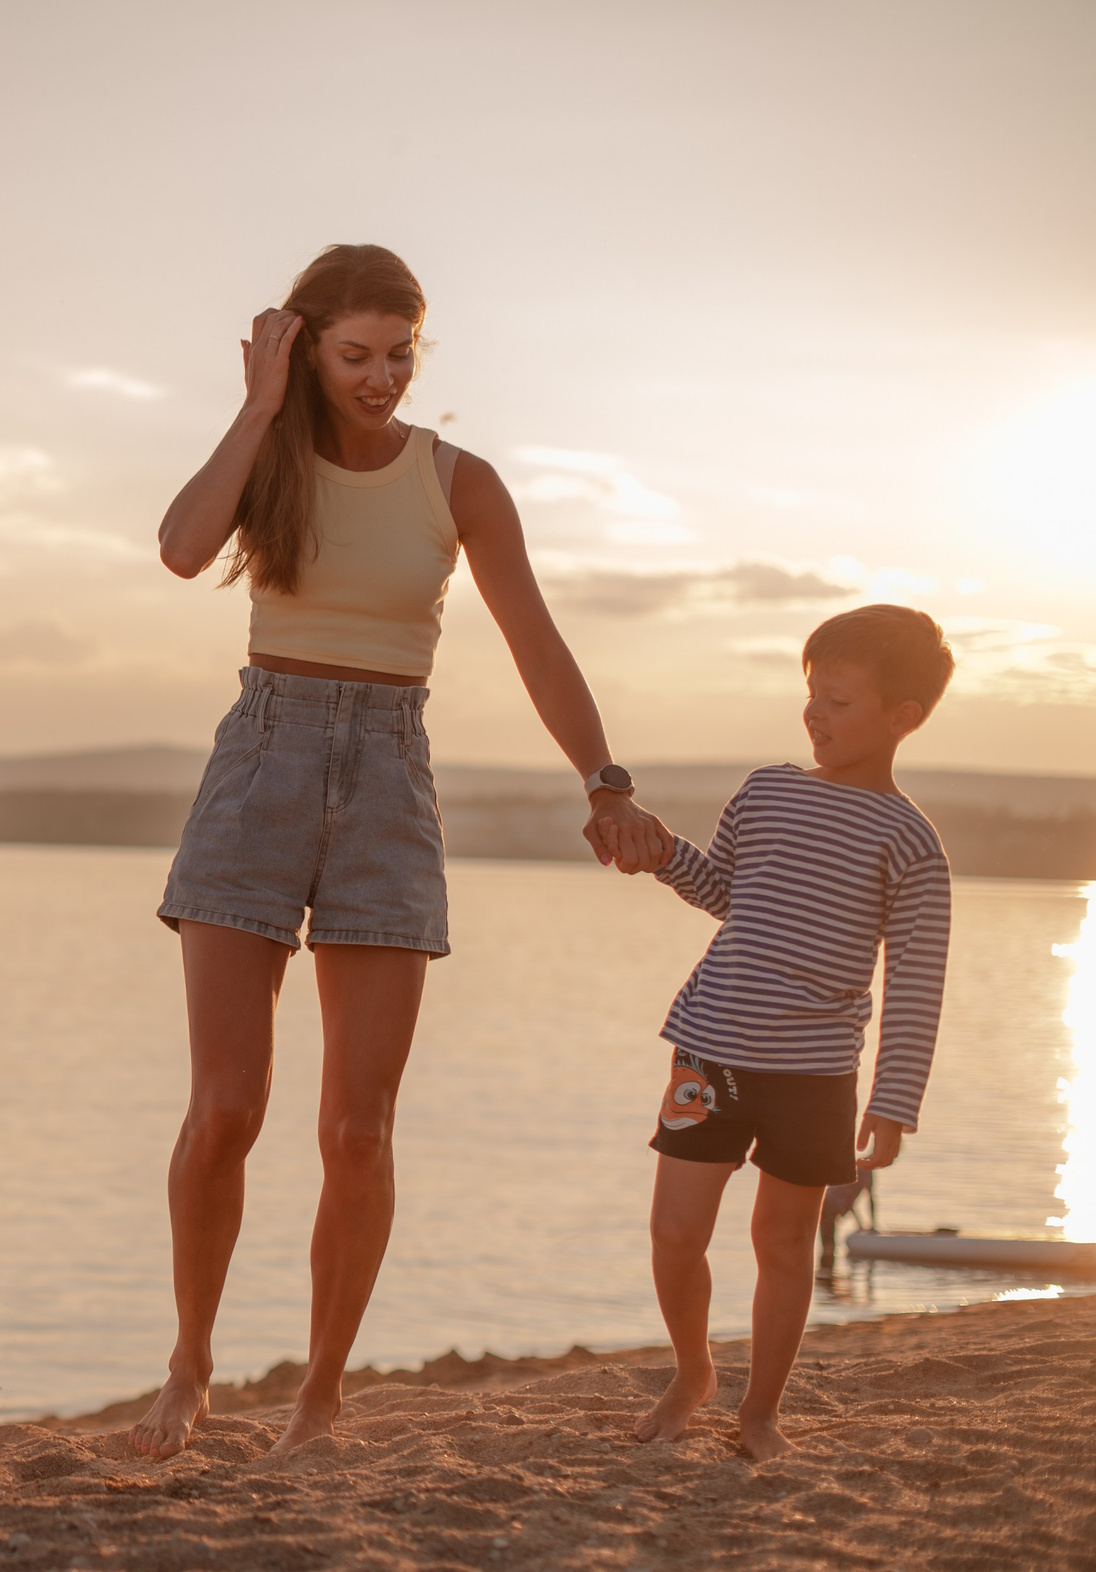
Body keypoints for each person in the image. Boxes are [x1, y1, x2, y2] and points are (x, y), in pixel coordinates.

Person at [132, 244, 672, 1460]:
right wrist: (258, 402)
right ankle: (188, 1370)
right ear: (304, 345)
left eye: (399, 355)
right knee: (225, 1110)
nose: (379, 378)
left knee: (358, 1128)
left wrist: (603, 779)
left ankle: (319, 1396)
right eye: (353, 354)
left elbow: (534, 639)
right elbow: (176, 547)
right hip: (260, 763)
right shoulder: (263, 453)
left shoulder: (459, 480)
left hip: (388, 778)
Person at [635, 605, 954, 1459]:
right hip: (710, 1046)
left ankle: (759, 1413)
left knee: (783, 1243)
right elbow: (722, 889)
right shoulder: (767, 789)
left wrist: (895, 1100)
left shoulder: (910, 842)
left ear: (903, 717)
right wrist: (664, 851)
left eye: (839, 700)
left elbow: (917, 981)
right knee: (674, 1231)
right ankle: (693, 1368)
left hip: (813, 1077)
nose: (814, 713)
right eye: (811, 692)